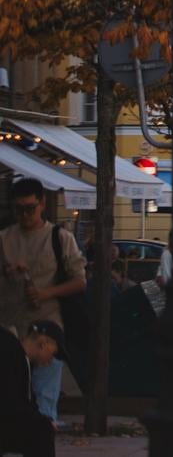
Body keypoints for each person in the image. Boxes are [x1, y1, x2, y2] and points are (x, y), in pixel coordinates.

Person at [0, 177, 86, 421]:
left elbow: (80, 281)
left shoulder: (60, 238)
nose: (24, 215)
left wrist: (46, 293)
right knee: (12, 396)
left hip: (47, 325)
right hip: (11, 327)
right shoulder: (4, 239)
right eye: (19, 209)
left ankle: (44, 428)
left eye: (30, 208)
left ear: (42, 204)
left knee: (44, 397)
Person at [0, 319, 61, 457]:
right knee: (42, 432)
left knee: (41, 427)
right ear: (43, 343)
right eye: (53, 353)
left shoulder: (23, 360)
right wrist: (42, 422)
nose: (51, 360)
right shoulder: (11, 351)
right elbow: (10, 402)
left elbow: (26, 401)